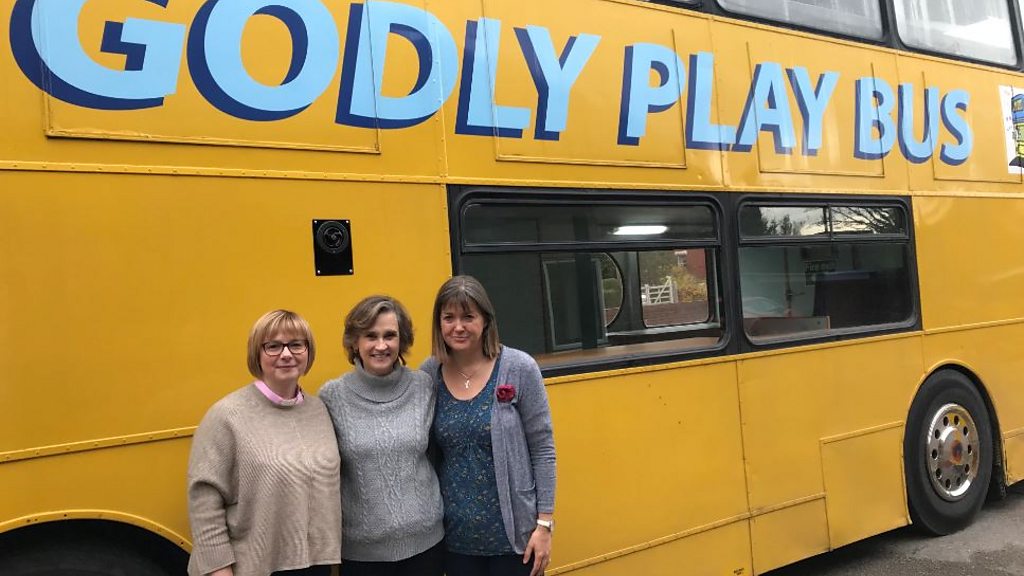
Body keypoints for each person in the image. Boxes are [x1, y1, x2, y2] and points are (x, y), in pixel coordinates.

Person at [187, 310, 341, 576]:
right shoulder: (227, 415)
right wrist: (218, 568)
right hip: (257, 567)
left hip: (316, 565)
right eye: (273, 346)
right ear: (256, 354)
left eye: (296, 344)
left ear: (308, 352)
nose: (286, 354)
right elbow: (204, 499)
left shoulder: (319, 409)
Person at [421, 276, 556, 576]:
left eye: (468, 317)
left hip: (516, 540)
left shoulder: (519, 368)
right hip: (455, 542)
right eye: (449, 318)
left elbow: (543, 450)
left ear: (485, 320)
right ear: (439, 323)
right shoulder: (429, 374)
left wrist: (544, 524)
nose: (458, 327)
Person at [319, 295, 444, 576]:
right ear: (355, 342)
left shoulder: (423, 386)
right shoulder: (332, 396)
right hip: (362, 554)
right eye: (370, 336)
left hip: (427, 546)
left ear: (402, 340)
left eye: (390, 335)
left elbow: (436, 454)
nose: (381, 345)